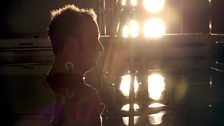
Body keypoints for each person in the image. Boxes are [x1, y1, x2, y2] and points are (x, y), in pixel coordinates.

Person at [46, 4, 104, 126]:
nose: (100, 48)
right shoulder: (86, 101)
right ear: (71, 45)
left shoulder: (45, 94)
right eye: (94, 40)